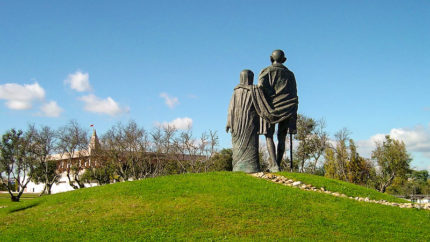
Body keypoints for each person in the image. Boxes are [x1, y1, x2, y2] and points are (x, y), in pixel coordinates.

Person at [254, 50, 298, 172]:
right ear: (284, 60)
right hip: (287, 108)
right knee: (282, 137)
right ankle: (277, 164)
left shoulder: (265, 71)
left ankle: (274, 165)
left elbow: (260, 89)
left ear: (270, 58)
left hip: (269, 108)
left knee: (269, 136)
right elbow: (294, 94)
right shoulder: (290, 74)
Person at [226, 70, 260, 173]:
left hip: (251, 121)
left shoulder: (254, 90)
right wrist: (228, 122)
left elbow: (260, 106)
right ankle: (238, 167)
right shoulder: (238, 91)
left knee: (251, 142)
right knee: (238, 144)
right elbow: (231, 108)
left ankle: (252, 167)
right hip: (238, 122)